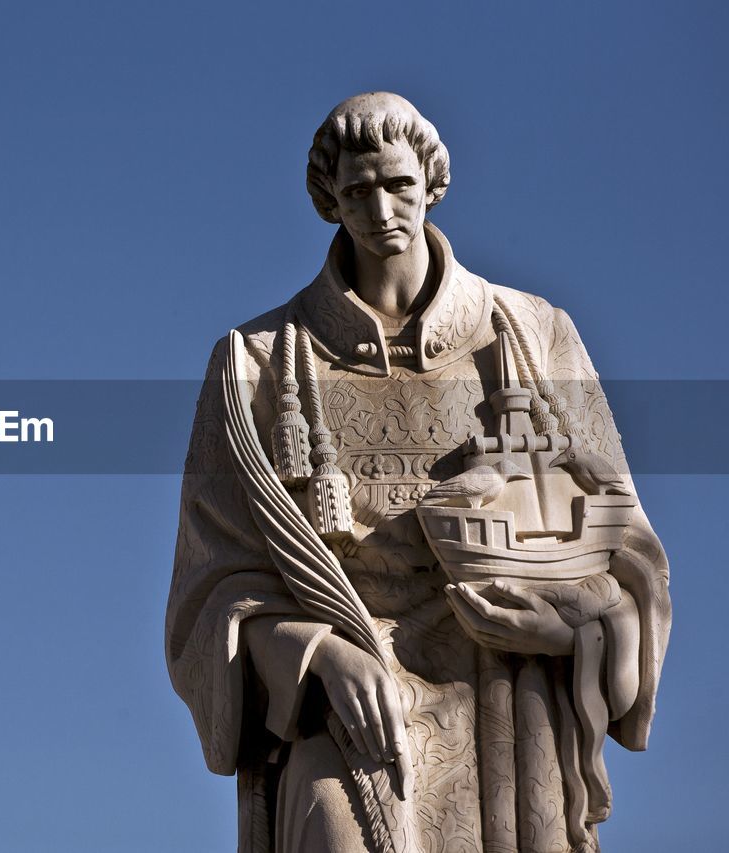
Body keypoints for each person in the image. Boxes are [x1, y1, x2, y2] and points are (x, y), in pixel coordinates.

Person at [165, 92, 670, 853]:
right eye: (358, 189)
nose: (380, 209)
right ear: (329, 198)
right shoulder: (257, 361)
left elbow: (629, 556)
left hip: (508, 698)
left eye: (397, 185)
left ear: (431, 183)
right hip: (346, 713)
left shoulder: (533, 335)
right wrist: (316, 654)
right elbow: (209, 593)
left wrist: (572, 631)